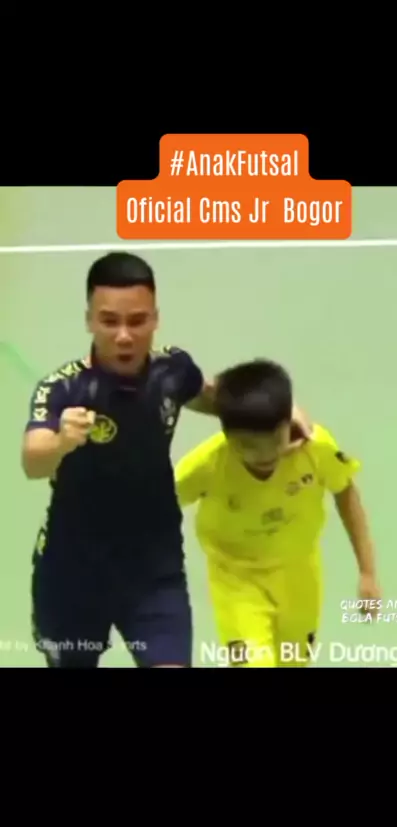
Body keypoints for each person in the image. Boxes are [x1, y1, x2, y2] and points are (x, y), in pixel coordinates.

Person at [21, 252, 311, 668]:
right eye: (109, 321)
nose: (124, 336)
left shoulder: (172, 370)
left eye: (137, 321)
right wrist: (62, 442)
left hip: (153, 570)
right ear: (89, 321)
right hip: (72, 574)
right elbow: (33, 461)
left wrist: (280, 411)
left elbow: (214, 397)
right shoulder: (63, 388)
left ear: (156, 318)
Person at [174, 359, 380, 667]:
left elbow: (345, 492)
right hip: (236, 583)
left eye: (274, 441)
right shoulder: (206, 465)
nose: (264, 455)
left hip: (299, 578)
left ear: (290, 421)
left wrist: (367, 572)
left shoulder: (315, 449)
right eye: (248, 446)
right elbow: (153, 507)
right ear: (227, 434)